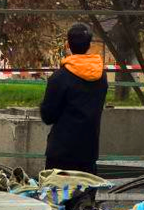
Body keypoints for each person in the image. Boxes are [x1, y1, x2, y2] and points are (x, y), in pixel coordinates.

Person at [39, 23, 109, 173]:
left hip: (61, 152)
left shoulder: (59, 77)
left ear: (67, 45)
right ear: (89, 45)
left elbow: (48, 116)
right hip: (89, 151)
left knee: (58, 194)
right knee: (86, 194)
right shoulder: (101, 76)